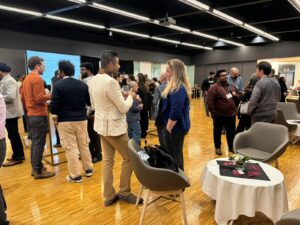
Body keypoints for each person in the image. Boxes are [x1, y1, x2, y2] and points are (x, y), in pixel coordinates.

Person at [88, 50, 143, 207]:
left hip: (101, 127)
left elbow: (93, 104)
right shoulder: (111, 82)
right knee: (130, 158)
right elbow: (123, 108)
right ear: (110, 64)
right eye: (118, 63)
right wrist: (131, 96)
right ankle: (124, 192)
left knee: (107, 161)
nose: (119, 66)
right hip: (114, 128)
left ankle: (108, 195)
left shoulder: (93, 80)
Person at [51, 60, 93, 183]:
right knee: (84, 145)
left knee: (71, 148)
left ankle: (75, 175)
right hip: (82, 119)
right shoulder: (83, 85)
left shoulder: (58, 85)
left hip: (65, 121)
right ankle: (88, 169)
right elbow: (89, 103)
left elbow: (54, 107)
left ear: (61, 72)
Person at [22, 56, 55, 179]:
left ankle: (36, 167)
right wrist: (51, 95)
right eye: (43, 65)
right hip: (39, 114)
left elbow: (22, 98)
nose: (44, 68)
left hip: (31, 114)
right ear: (37, 66)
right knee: (39, 143)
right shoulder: (37, 79)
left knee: (35, 143)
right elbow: (39, 98)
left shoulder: (26, 79)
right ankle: (38, 171)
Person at [161, 59, 191, 170]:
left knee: (175, 156)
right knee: (175, 154)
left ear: (176, 72)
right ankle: (177, 180)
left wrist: (168, 129)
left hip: (175, 129)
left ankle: (178, 181)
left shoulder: (179, 89)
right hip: (174, 128)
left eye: (168, 71)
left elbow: (175, 112)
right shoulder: (174, 87)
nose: (165, 73)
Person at [207, 69, 240, 155]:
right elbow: (210, 102)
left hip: (231, 115)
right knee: (217, 132)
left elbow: (238, 98)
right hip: (219, 115)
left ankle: (231, 147)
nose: (225, 76)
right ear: (218, 77)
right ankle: (217, 147)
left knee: (231, 132)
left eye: (226, 75)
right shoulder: (214, 88)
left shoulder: (231, 86)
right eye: (223, 75)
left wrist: (235, 96)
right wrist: (214, 114)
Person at [0, 63, 25, 167]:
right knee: (12, 135)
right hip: (9, 112)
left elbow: (10, 97)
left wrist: (0, 99)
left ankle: (19, 156)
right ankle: (17, 155)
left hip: (12, 113)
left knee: (13, 135)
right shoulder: (5, 80)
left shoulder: (9, 80)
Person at [80, 62, 102, 163]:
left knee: (94, 134)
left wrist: (92, 110)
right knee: (88, 133)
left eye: (83, 69)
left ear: (88, 70)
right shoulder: (83, 80)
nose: (81, 71)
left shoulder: (93, 80)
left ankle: (97, 154)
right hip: (85, 110)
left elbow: (95, 96)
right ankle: (91, 152)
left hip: (92, 110)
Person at [153, 73, 167, 148]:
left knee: (161, 132)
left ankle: (164, 149)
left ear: (161, 79)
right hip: (168, 114)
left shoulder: (158, 88)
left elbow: (155, 102)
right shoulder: (171, 86)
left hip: (160, 113)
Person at [126, 81, 143, 145]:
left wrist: (139, 101)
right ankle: (136, 150)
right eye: (136, 85)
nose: (137, 87)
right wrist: (140, 107)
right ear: (132, 88)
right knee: (137, 133)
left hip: (129, 118)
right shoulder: (132, 95)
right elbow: (133, 108)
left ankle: (131, 151)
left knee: (130, 134)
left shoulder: (132, 95)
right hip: (134, 118)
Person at [137, 73, 151, 138]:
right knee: (145, 119)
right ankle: (144, 132)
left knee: (141, 120)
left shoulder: (139, 87)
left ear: (139, 78)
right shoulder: (146, 86)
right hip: (146, 106)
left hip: (142, 106)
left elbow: (139, 98)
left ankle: (142, 132)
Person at [51, 70, 62, 148]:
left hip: (56, 106)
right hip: (61, 106)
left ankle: (59, 141)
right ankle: (59, 141)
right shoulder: (59, 81)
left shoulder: (53, 80)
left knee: (56, 124)